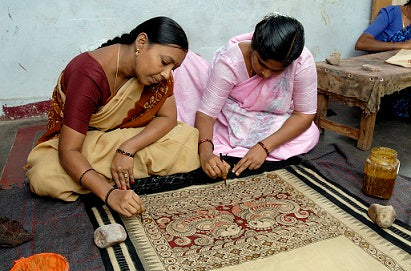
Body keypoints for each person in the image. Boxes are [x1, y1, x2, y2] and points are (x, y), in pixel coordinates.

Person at [26, 16, 200, 217]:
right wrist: (110, 195)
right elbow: (70, 150)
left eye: (173, 69)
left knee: (186, 139)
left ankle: (102, 173)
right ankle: (113, 176)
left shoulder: (155, 76)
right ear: (141, 42)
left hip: (120, 140)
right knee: (43, 176)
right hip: (82, 143)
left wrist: (127, 149)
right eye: (164, 62)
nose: (166, 74)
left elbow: (168, 119)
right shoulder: (88, 73)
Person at [173, 14, 319, 180]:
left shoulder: (301, 62)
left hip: (270, 119)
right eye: (261, 63)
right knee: (196, 133)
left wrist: (264, 147)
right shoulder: (231, 60)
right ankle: (237, 149)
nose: (266, 73)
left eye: (277, 70)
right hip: (230, 117)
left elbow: (304, 114)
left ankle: (244, 151)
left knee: (310, 133)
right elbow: (207, 114)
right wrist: (206, 154)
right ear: (253, 48)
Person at [355, 1, 410, 119]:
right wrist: (401, 45)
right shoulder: (390, 14)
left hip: (402, 79)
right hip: (379, 77)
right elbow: (361, 43)